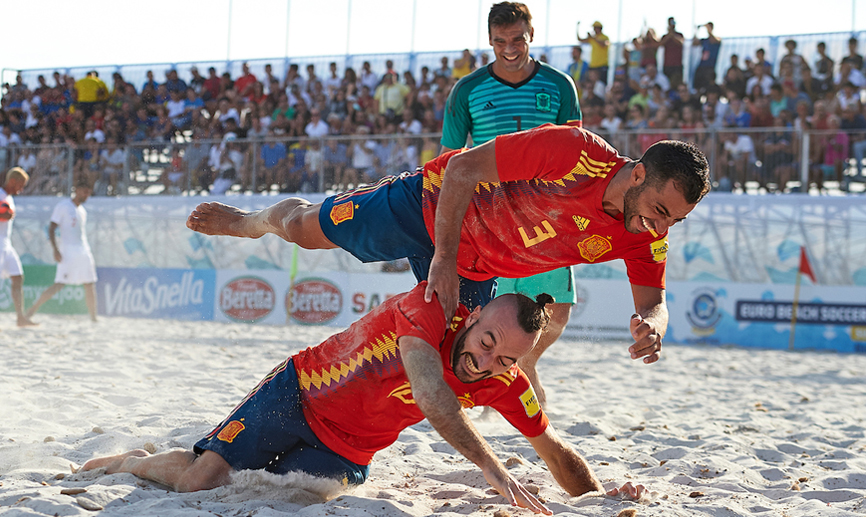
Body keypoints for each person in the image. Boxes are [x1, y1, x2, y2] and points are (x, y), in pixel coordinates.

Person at [187, 124, 710, 373]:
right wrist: (442, 260)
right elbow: (462, 169)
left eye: (674, 221)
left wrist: (654, 328)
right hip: (428, 206)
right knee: (305, 229)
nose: (660, 228)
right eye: (661, 211)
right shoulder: (576, 153)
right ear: (639, 173)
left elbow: (653, 303)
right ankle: (252, 220)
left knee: (457, 362)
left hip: (477, 266)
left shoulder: (646, 234)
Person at [79, 282, 646, 512]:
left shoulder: (504, 379)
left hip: (346, 452)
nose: (488, 362)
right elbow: (435, 401)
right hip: (296, 395)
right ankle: (133, 461)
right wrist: (495, 471)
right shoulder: (425, 312)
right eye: (487, 341)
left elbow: (553, 450)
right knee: (201, 480)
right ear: (471, 318)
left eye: (507, 359)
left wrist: (596, 502)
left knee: (284, 496)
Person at [25, 180, 98, 322]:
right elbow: (52, 228)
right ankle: (32, 310)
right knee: (59, 284)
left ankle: (94, 318)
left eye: (89, 193)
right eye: (85, 191)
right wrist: (55, 250)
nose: (87, 195)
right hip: (68, 252)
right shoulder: (63, 206)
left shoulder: (82, 211)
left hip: (84, 251)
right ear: (77, 190)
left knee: (90, 283)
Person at [0, 167, 36, 327]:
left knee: (18, 277)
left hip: (6, 243)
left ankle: (20, 318)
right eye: (21, 185)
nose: (22, 189)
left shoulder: (9, 197)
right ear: (12, 181)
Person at [691, 22, 721, 93]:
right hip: (702, 66)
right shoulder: (705, 41)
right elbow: (694, 43)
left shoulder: (716, 40)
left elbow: (716, 40)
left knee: (709, 86)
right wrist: (696, 31)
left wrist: (708, 30)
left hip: (710, 66)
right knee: (698, 85)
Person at [660, 17, 684, 89]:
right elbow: (661, 44)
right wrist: (669, 35)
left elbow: (681, 42)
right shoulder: (665, 36)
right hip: (667, 65)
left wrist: (672, 35)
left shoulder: (679, 35)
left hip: (677, 65)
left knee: (677, 84)